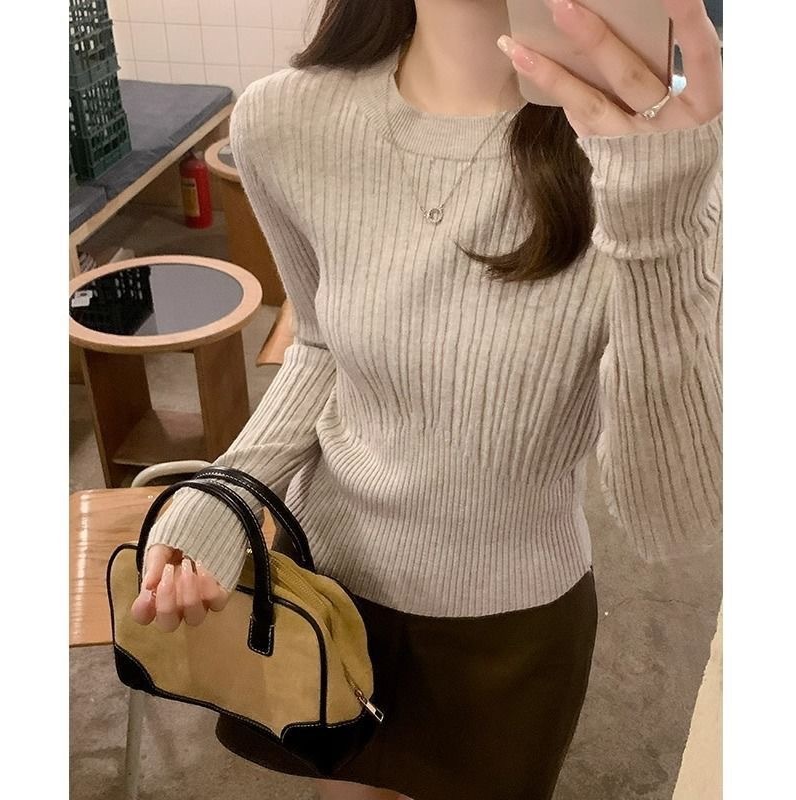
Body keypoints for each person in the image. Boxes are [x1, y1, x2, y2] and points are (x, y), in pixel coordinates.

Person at [130, 0, 723, 798]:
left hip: (513, 627)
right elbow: (320, 349)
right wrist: (219, 498)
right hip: (331, 592)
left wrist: (660, 227)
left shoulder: (652, 149)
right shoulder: (285, 120)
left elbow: (669, 513)